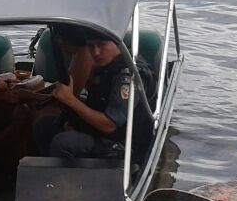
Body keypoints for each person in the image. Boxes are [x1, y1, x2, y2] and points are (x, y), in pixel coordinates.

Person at [33, 30, 153, 160]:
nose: (96, 52)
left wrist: (71, 100)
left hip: (122, 145)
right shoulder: (108, 65)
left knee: (63, 142)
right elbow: (98, 106)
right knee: (43, 126)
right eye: (91, 46)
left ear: (117, 43)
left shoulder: (127, 77)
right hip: (104, 134)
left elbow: (109, 125)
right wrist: (77, 124)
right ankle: (45, 173)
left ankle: (63, 179)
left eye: (101, 45)